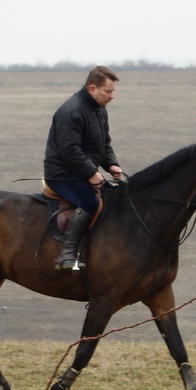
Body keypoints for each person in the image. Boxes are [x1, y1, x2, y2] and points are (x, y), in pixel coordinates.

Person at [43, 65, 124, 271]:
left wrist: (111, 164)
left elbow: (104, 143)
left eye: (113, 91)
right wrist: (92, 173)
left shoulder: (99, 111)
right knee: (89, 202)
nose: (112, 96)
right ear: (92, 89)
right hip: (63, 174)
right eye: (108, 91)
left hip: (82, 172)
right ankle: (67, 254)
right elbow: (70, 151)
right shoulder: (71, 111)